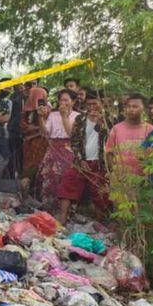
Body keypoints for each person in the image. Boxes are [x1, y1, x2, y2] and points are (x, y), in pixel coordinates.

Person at [56, 91, 110, 224]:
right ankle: (62, 220)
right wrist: (80, 159)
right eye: (89, 104)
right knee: (68, 186)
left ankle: (103, 222)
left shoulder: (109, 120)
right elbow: (74, 141)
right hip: (80, 162)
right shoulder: (81, 119)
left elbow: (111, 141)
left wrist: (101, 121)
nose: (92, 107)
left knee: (100, 193)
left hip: (100, 163)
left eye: (95, 103)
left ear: (101, 103)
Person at [36, 89, 80, 208]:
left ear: (73, 102)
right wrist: (40, 118)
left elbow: (71, 134)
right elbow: (45, 133)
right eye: (61, 100)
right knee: (49, 176)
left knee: (66, 177)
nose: (63, 103)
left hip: (69, 150)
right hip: (53, 149)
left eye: (66, 100)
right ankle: (49, 206)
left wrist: (64, 116)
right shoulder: (53, 115)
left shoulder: (78, 116)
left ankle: (66, 209)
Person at [105, 94, 153, 175]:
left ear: (144, 109)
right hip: (120, 180)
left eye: (135, 106)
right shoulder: (116, 129)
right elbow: (109, 153)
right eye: (128, 106)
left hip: (145, 180)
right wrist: (115, 172)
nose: (131, 109)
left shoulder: (152, 130)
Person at [20, 83, 49, 196]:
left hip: (41, 143)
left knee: (39, 167)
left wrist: (35, 128)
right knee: (28, 167)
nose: (39, 99)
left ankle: (37, 194)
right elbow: (23, 126)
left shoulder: (47, 110)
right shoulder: (26, 111)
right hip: (29, 144)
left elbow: (47, 128)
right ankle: (27, 193)